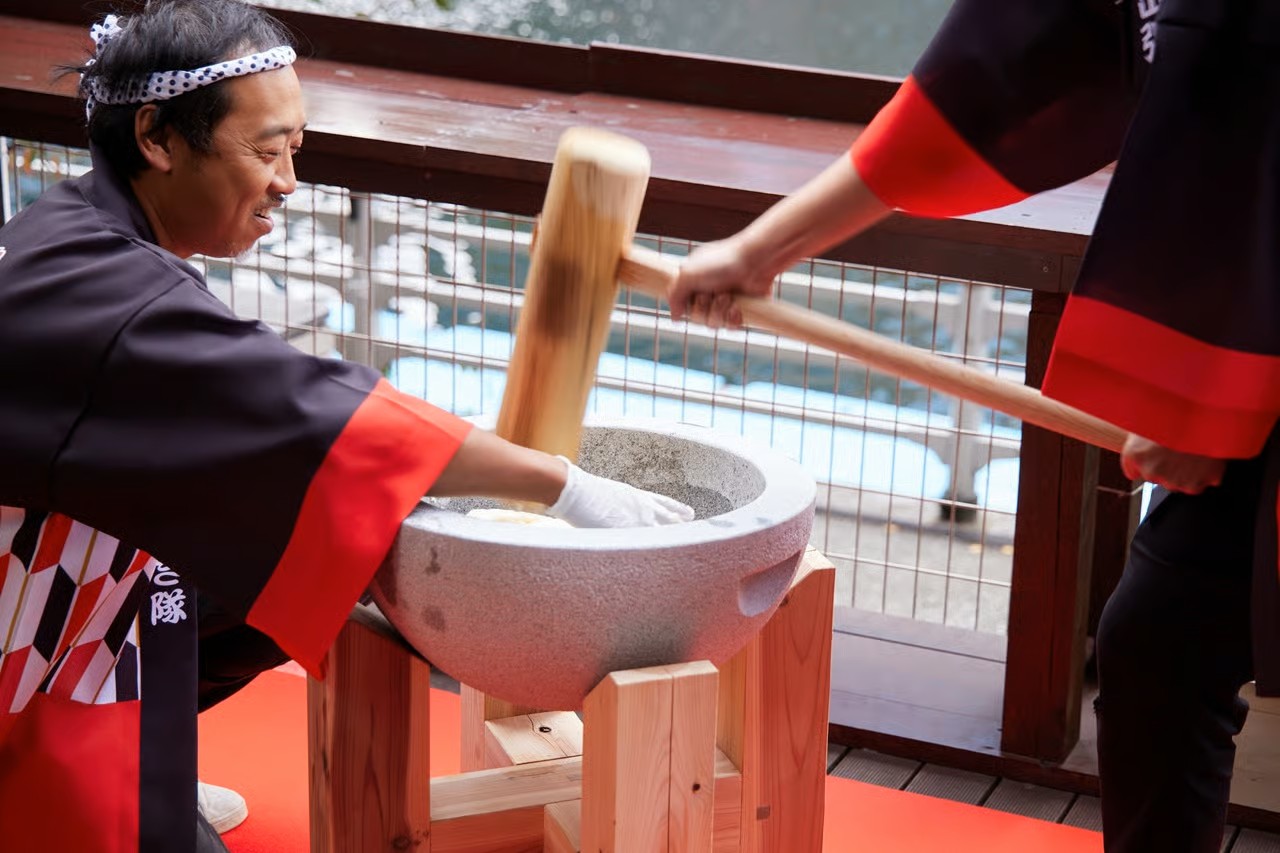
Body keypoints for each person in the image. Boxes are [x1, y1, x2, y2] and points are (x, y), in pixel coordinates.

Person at [0, 2, 693, 851]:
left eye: (296, 149)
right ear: (157, 136)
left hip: (49, 580)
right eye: (266, 150)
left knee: (316, 536)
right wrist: (566, 484)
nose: (289, 181)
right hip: (22, 658)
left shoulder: (70, 226)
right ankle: (142, 781)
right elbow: (324, 410)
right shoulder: (116, 301)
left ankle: (157, 758)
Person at [670, 1, 1279, 851]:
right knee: (1163, 646)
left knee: (1169, 640)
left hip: (1258, 324)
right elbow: (990, 77)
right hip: (1256, 320)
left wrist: (1210, 393)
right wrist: (764, 249)